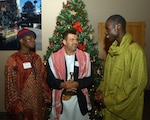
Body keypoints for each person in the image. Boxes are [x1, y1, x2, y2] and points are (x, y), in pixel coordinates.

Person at [95, 14, 147, 120]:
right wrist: (100, 91)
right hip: (109, 110)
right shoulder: (112, 51)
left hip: (124, 112)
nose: (106, 32)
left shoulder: (136, 51)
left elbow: (134, 85)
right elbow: (106, 78)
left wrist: (108, 100)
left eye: (107, 28)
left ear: (118, 27)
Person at [4, 28, 51, 120]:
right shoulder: (13, 60)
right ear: (21, 40)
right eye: (29, 38)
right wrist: (17, 109)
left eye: (33, 38)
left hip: (38, 104)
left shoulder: (37, 58)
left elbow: (43, 78)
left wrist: (46, 97)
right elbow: (11, 87)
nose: (33, 41)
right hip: (24, 107)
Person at [46, 29, 92, 120]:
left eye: (76, 39)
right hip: (61, 101)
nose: (75, 42)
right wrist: (63, 84)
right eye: (71, 40)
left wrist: (77, 84)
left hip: (79, 100)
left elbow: (90, 79)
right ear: (64, 42)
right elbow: (50, 80)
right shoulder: (53, 58)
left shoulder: (85, 57)